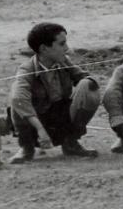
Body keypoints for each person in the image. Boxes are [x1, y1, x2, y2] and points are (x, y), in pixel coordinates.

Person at [8, 22, 101, 162]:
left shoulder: (63, 61)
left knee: (87, 86)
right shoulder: (26, 69)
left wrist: (86, 84)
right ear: (44, 49)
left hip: (59, 119)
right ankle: (26, 147)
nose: (67, 48)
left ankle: (71, 143)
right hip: (36, 122)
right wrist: (40, 129)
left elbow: (83, 77)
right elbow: (18, 99)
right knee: (18, 101)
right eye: (62, 44)